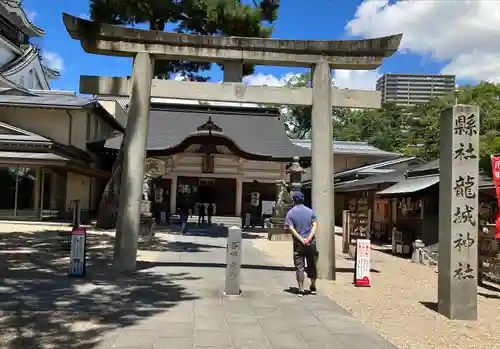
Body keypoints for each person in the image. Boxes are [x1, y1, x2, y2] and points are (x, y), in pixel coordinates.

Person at [284, 191, 318, 297]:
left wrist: (301, 239)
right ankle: (313, 286)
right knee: (312, 265)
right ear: (303, 199)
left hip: (298, 244)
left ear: (293, 200)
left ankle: (301, 289)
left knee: (300, 266)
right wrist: (308, 238)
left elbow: (291, 228)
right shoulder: (310, 211)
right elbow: (315, 225)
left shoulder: (290, 213)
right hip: (311, 242)